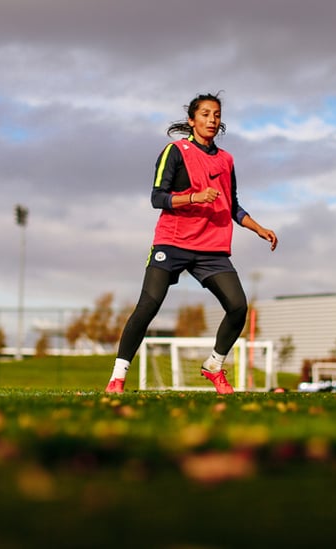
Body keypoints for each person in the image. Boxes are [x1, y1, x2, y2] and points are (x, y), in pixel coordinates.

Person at [105, 93, 278, 394]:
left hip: (211, 248)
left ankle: (214, 366)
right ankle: (117, 377)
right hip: (172, 243)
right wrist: (193, 197)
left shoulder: (226, 159)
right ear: (192, 120)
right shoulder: (175, 151)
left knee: (238, 307)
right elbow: (157, 197)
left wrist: (258, 227)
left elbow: (232, 204)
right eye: (206, 114)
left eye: (217, 115)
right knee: (148, 305)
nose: (212, 119)